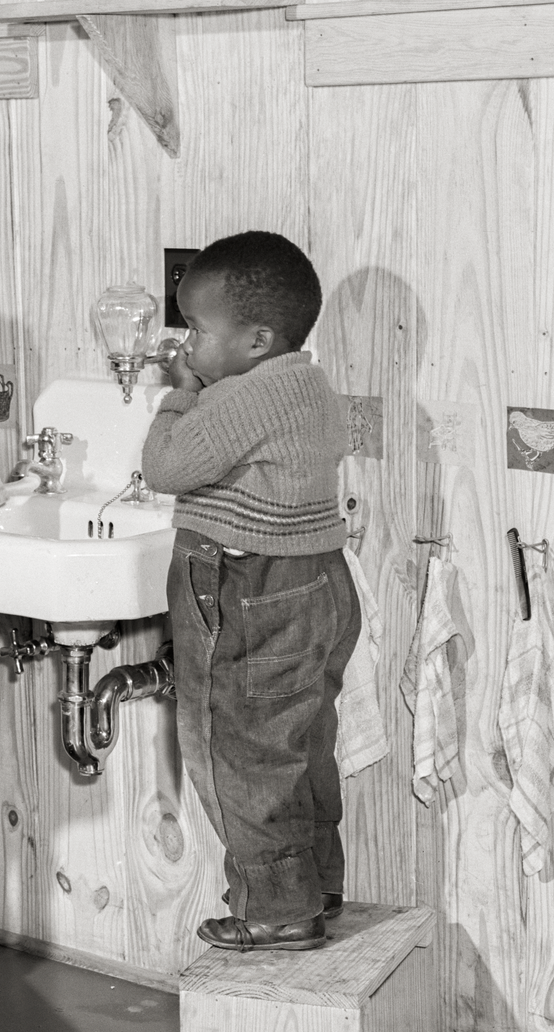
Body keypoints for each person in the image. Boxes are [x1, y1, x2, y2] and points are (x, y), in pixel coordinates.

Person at [140, 231, 360, 952]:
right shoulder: (306, 384)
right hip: (315, 579)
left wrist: (178, 395)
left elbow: (168, 467)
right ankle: (312, 885)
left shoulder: (246, 397)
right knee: (298, 744)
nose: (188, 345)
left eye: (197, 331)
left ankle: (276, 906)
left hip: (251, 584)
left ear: (258, 339)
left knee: (238, 749)